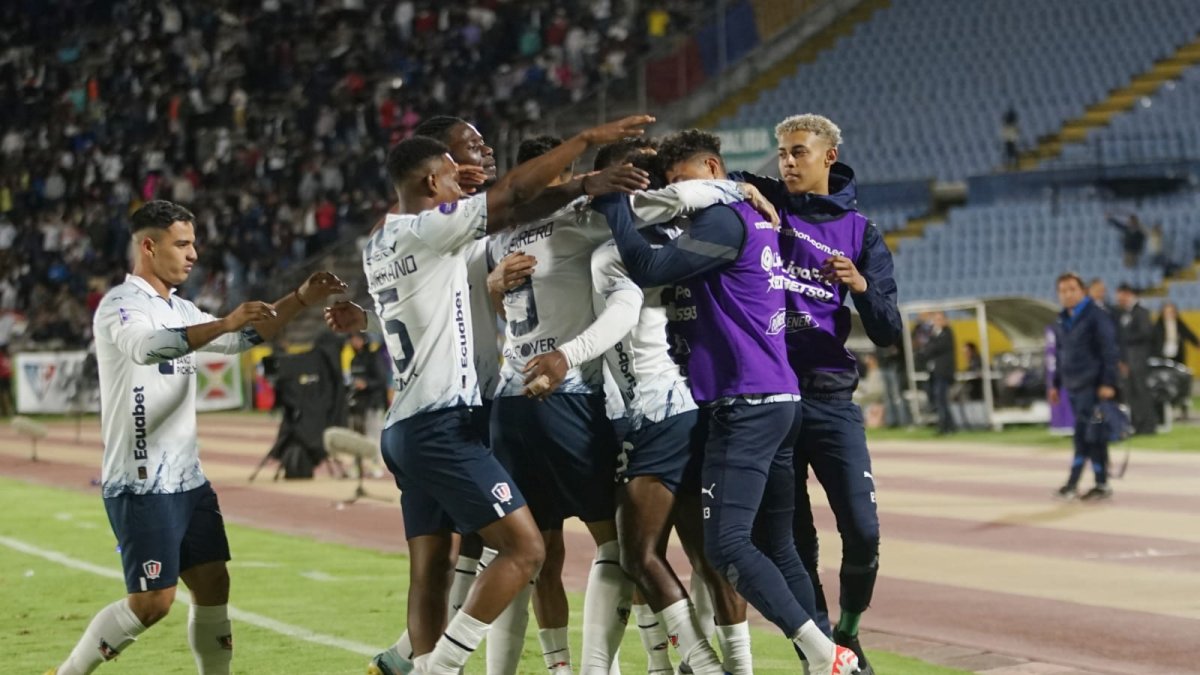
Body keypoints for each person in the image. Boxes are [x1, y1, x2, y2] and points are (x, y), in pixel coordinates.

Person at [325, 115, 655, 675]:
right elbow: (518, 197)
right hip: (450, 420)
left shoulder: (380, 240)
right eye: (459, 167)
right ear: (433, 180)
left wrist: (577, 187)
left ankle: (414, 659)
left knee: (437, 570)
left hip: (408, 423)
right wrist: (584, 147)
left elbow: (514, 210)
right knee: (527, 549)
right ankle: (440, 667)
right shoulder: (436, 226)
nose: (471, 171)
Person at [491, 136, 769, 674]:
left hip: (653, 410)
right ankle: (725, 666)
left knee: (632, 551)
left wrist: (564, 356)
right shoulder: (673, 234)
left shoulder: (613, 244)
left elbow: (622, 311)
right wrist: (736, 188)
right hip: (674, 407)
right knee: (693, 552)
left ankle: (688, 666)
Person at [589, 140, 862, 675]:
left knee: (729, 546)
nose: (673, 189)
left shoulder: (722, 222)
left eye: (679, 176)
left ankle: (828, 655)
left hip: (745, 402)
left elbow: (643, 265)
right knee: (780, 548)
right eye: (664, 180)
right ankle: (823, 660)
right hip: (777, 397)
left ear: (710, 168)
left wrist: (612, 200)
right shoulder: (743, 212)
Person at [46, 200, 348, 675]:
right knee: (151, 604)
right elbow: (148, 348)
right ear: (148, 246)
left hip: (188, 480)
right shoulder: (120, 306)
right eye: (182, 244)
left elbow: (243, 339)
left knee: (213, 585)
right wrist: (225, 321)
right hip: (141, 480)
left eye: (193, 243)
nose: (193, 254)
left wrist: (301, 298)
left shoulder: (180, 307)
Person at [730, 115, 901, 675]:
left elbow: (888, 330)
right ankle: (824, 653)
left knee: (864, 531)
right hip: (773, 400)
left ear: (828, 157)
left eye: (798, 152)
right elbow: (711, 174)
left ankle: (848, 632)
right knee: (795, 545)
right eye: (781, 152)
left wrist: (861, 287)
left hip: (830, 399)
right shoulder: (768, 207)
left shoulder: (861, 232)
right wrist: (739, 186)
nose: (785, 162)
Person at [1049, 273, 1120, 501]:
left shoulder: (1096, 316)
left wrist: (1108, 382)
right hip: (1073, 387)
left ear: (1082, 291)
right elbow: (1061, 355)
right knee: (1086, 434)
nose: (1067, 294)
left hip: (1094, 387)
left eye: (1072, 289)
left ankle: (1084, 483)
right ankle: (1091, 484)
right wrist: (1056, 384)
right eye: (1063, 290)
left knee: (1089, 434)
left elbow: (1109, 351)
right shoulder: (1061, 320)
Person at [1114, 283, 1155, 435]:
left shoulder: (1141, 312)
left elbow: (1146, 333)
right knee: (1131, 393)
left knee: (1141, 392)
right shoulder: (1125, 313)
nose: (1120, 301)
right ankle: (1138, 425)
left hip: (1138, 358)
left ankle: (1148, 426)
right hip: (1128, 360)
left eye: (1121, 297)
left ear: (1128, 294)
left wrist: (1124, 339)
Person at [347, 331, 388, 473]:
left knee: (373, 436)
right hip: (358, 404)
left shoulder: (373, 357)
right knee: (357, 436)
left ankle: (375, 465)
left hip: (372, 403)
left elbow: (381, 380)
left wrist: (366, 384)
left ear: (364, 340)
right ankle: (357, 466)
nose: (354, 342)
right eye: (352, 339)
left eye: (357, 339)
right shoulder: (354, 360)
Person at [920, 312, 956, 435]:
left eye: (940, 319)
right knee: (937, 399)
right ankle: (948, 425)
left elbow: (934, 348)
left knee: (942, 400)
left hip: (943, 372)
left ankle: (945, 426)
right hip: (934, 372)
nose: (937, 322)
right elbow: (926, 350)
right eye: (935, 319)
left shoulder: (947, 333)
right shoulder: (934, 334)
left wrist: (929, 347)